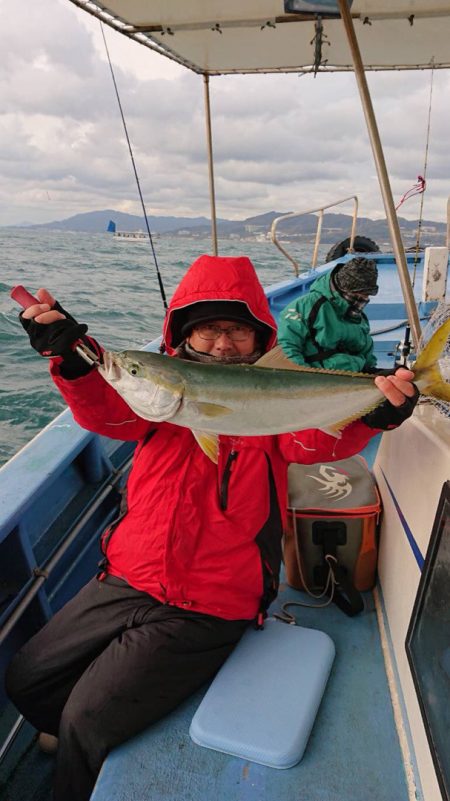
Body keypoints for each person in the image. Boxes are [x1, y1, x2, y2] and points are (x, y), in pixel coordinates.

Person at [5, 254, 418, 801]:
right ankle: (62, 724)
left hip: (211, 600)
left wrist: (373, 414)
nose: (223, 344)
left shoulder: (270, 399)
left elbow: (313, 440)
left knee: (89, 720)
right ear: (183, 334)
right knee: (27, 678)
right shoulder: (154, 397)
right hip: (131, 574)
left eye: (238, 331)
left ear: (259, 338)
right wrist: (74, 358)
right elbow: (109, 405)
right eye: (208, 328)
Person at [278, 256, 379, 371]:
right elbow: (287, 348)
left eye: (367, 294)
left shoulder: (357, 314)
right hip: (317, 378)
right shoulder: (304, 307)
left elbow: (365, 349)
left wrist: (372, 371)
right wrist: (306, 379)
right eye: (358, 293)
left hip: (354, 376)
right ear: (343, 288)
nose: (363, 298)